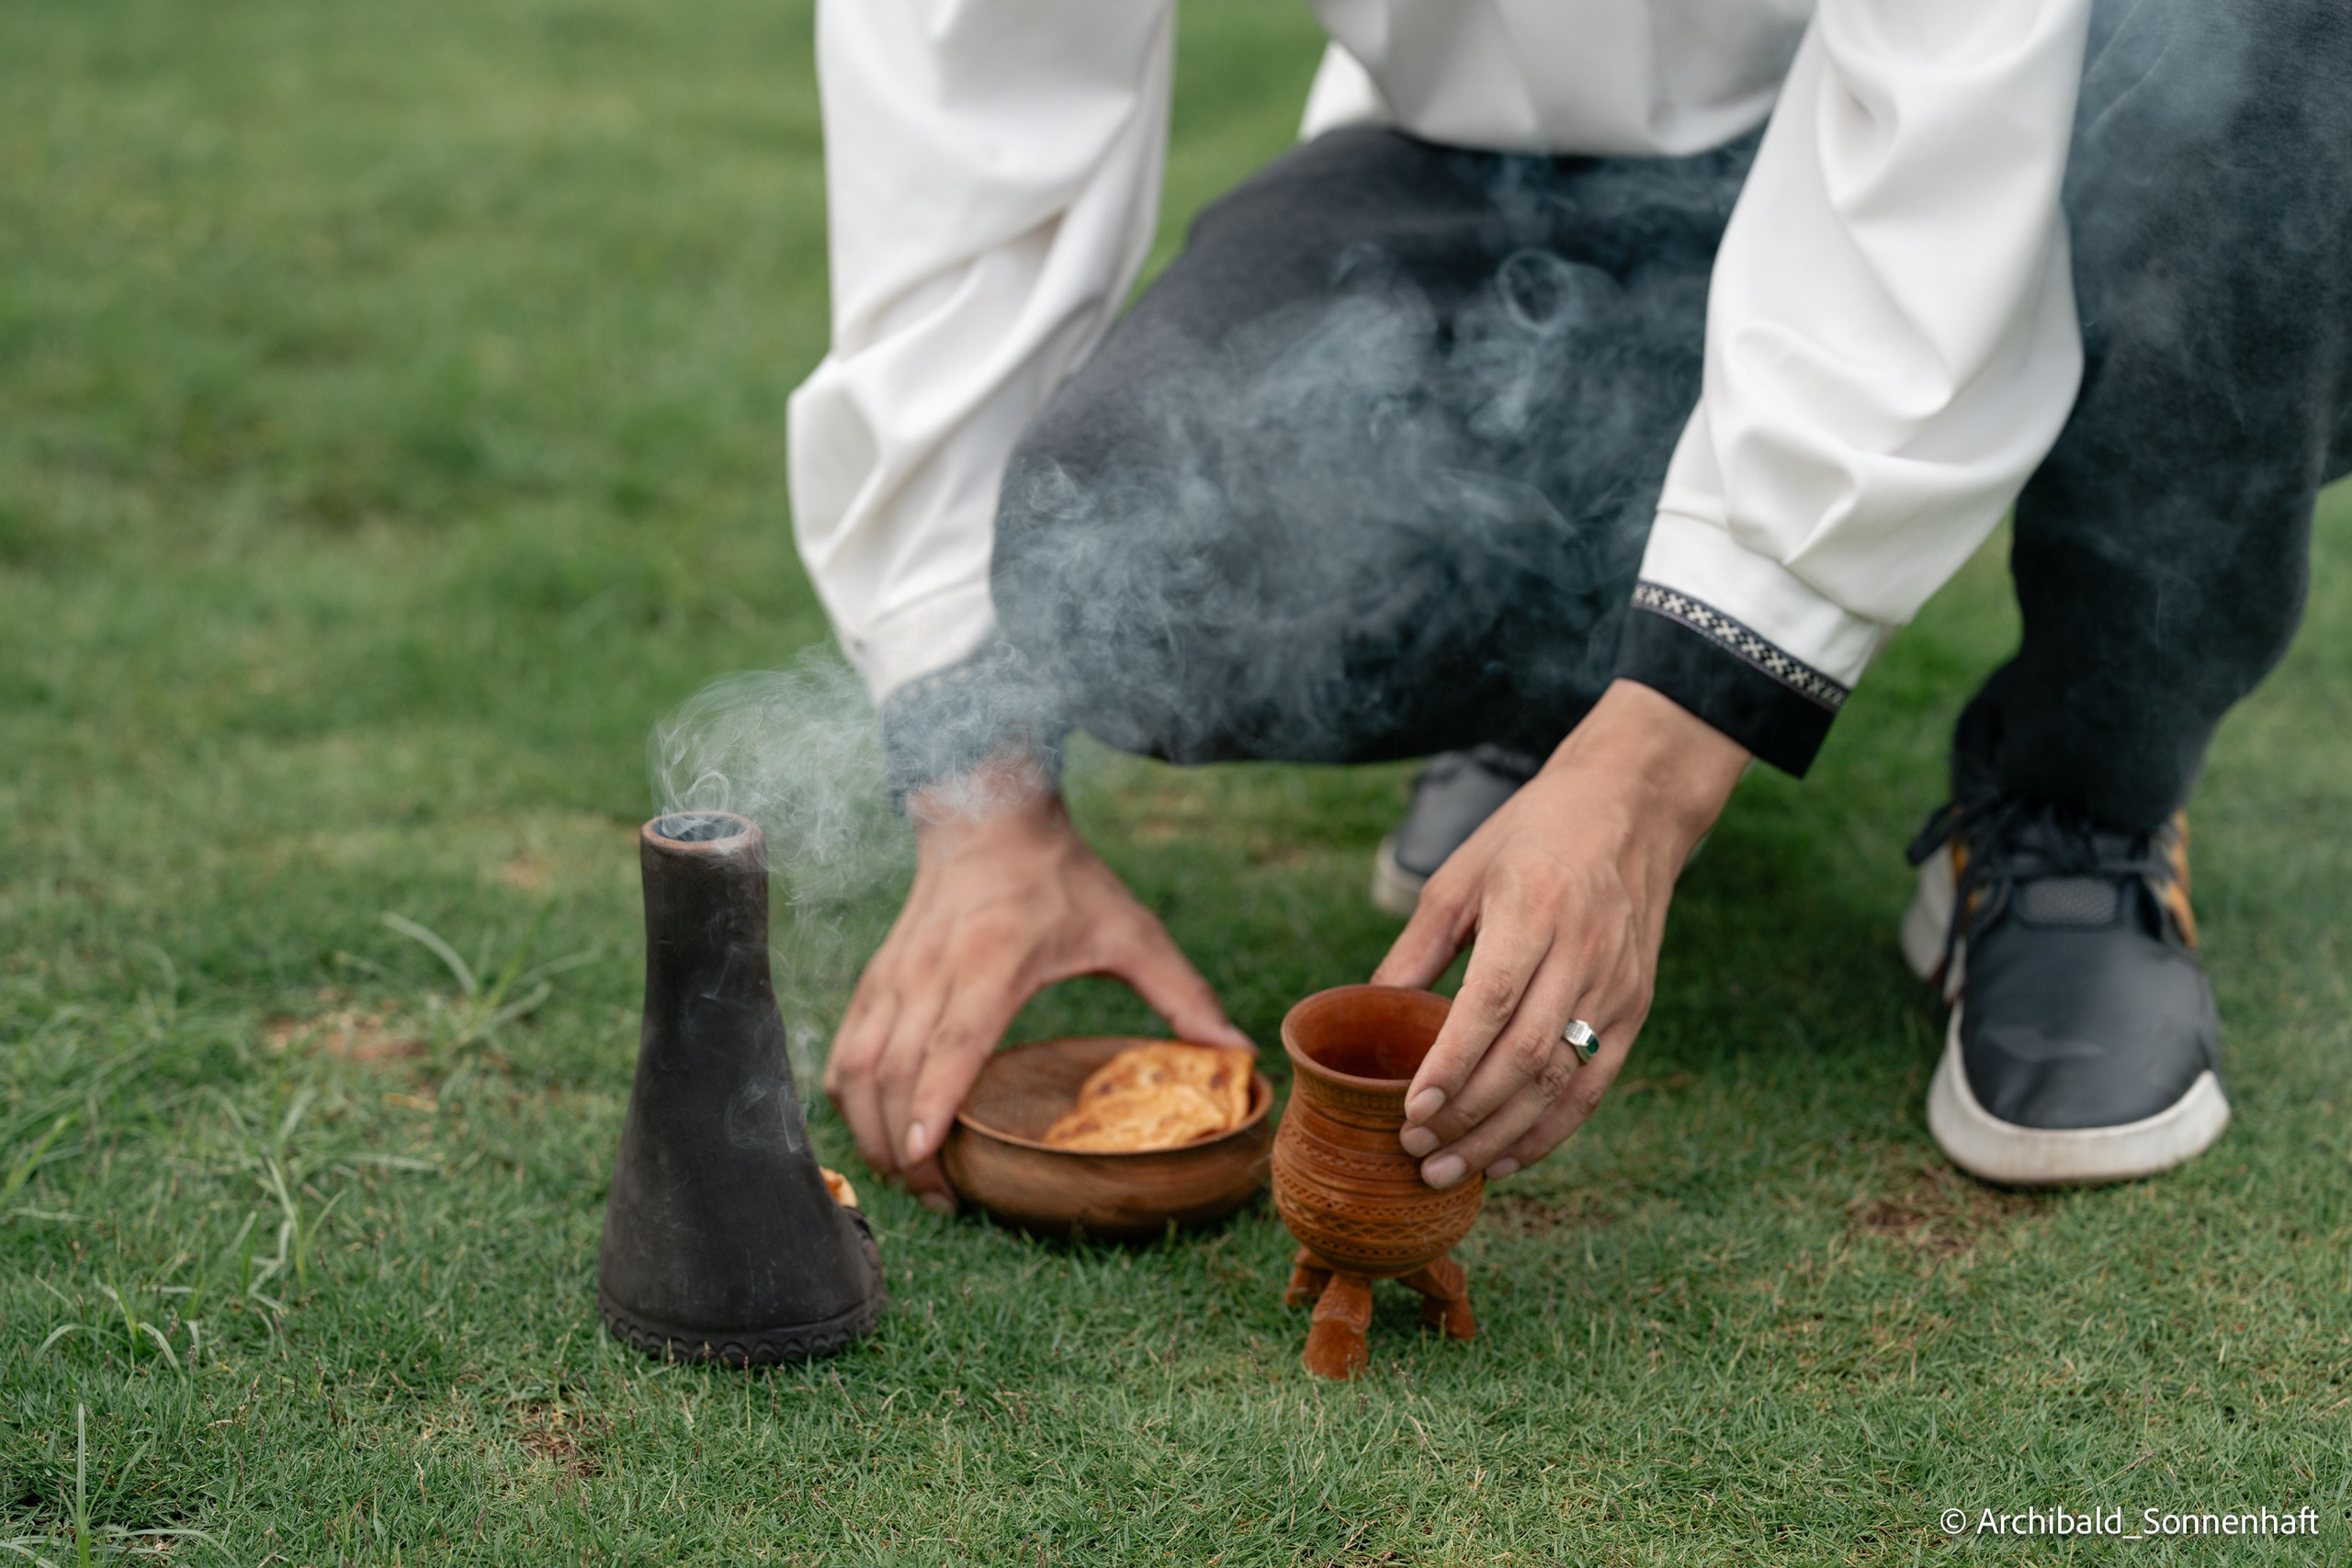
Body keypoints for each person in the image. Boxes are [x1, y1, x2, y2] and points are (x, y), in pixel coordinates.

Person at [790, 0, 2352, 1208]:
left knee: (2260, 63)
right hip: (1497, 167)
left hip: (2039, 100)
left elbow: (1942, 108)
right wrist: (980, 798)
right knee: (1137, 538)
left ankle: (2076, 809)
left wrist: (1664, 762)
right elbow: (964, 98)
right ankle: (1541, 698)